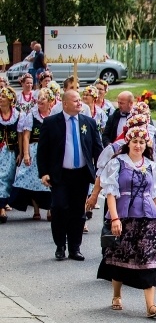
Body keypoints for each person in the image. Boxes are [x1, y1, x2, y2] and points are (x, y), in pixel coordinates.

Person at [98, 123, 156, 318]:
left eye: (142, 142)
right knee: (120, 255)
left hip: (148, 218)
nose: (138, 145)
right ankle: (117, 294)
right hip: (125, 216)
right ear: (128, 143)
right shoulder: (117, 163)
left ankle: (151, 306)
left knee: (150, 258)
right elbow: (111, 193)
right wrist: (114, 218)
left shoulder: (151, 165)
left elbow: (153, 193)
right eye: (135, 141)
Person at [37, 90, 103, 260]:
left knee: (78, 212)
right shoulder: (51, 122)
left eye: (80, 100)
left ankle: (75, 248)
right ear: (65, 104)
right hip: (60, 175)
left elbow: (97, 149)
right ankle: (60, 245)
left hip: (81, 174)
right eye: (75, 101)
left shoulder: (88, 122)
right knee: (59, 208)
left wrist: (101, 172)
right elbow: (42, 150)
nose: (80, 103)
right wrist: (43, 173)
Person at [11, 88, 54, 220]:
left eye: (43, 100)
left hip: (50, 151)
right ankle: (36, 209)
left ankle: (51, 209)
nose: (39, 102)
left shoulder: (55, 115)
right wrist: (26, 154)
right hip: (34, 151)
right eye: (38, 100)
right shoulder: (31, 115)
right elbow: (26, 136)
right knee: (33, 181)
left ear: (50, 101)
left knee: (51, 180)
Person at [0, 87, 23, 224]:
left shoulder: (17, 115)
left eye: (3, 96)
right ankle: (1, 208)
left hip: (10, 152)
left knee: (7, 178)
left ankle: (3, 204)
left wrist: (21, 152)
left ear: (10, 99)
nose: (0, 98)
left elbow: (20, 135)